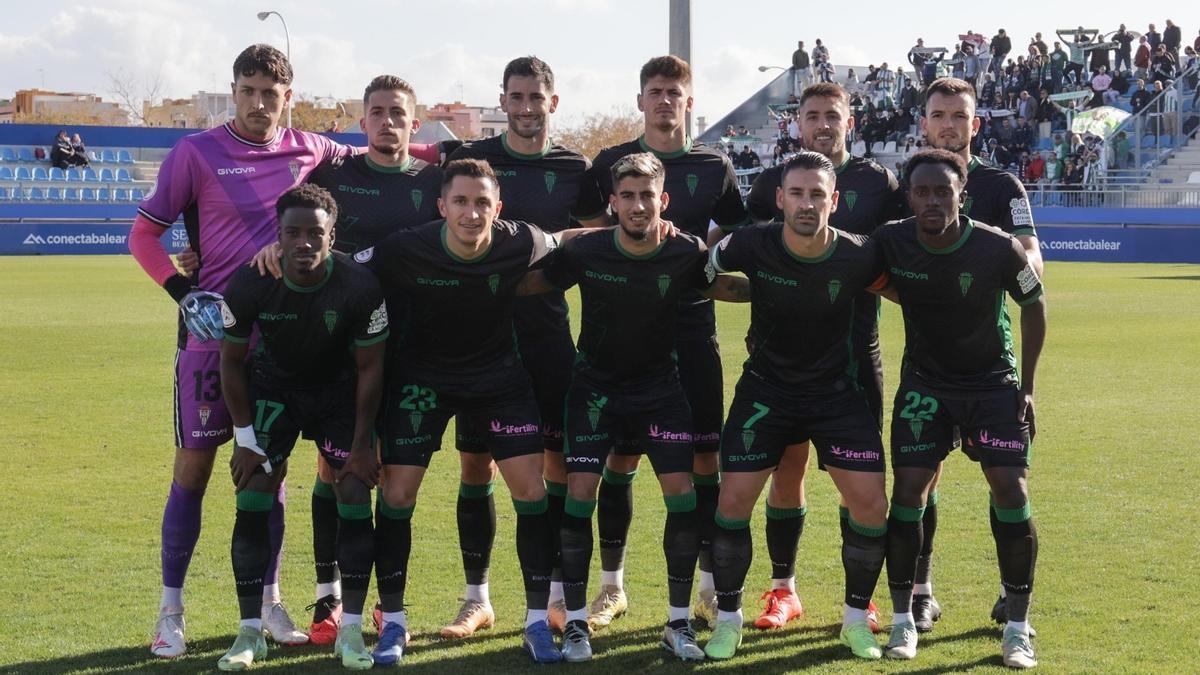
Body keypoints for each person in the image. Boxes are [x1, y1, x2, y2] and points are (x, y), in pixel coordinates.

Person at [129, 44, 352, 659]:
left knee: (267, 472)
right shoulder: (195, 153)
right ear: (234, 91)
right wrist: (182, 290)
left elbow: (380, 156)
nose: (257, 104)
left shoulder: (310, 149)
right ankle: (171, 612)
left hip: (278, 343)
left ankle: (270, 603)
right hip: (210, 340)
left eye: (269, 94)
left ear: (289, 95)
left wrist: (447, 154)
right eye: (247, 92)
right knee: (195, 470)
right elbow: (144, 234)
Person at [355, 158, 605, 665]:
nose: (472, 213)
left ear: (498, 208)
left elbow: (570, 238)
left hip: (498, 381)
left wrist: (634, 225)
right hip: (423, 380)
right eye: (462, 202)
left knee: (531, 491)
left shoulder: (521, 239)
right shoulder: (406, 246)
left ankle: (536, 624)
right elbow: (341, 265)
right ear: (442, 205)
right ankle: (393, 625)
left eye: (482, 203)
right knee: (398, 492)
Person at [519, 152, 748, 662]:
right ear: (613, 202)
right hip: (594, 391)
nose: (638, 205)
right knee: (580, 493)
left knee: (683, 496)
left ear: (663, 200)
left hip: (661, 393)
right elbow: (532, 282)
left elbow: (727, 286)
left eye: (648, 195)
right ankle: (576, 624)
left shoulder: (686, 250)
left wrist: (794, 284)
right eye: (628, 196)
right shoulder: (589, 251)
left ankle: (677, 621)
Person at [242, 74, 441, 647]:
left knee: (389, 477)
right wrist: (267, 247)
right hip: (335, 347)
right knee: (336, 470)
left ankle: (380, 605)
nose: (387, 122)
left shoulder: (432, 182)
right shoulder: (334, 175)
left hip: (409, 346)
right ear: (363, 119)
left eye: (398, 113)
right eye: (376, 112)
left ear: (413, 119)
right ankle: (330, 597)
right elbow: (294, 217)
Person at [704, 151, 892, 662]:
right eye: (797, 193)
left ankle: (856, 620)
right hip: (766, 391)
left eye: (817, 195)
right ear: (781, 198)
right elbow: (704, 272)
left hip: (836, 394)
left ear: (833, 201)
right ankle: (728, 621)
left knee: (872, 505)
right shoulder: (749, 243)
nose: (806, 204)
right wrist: (750, 289)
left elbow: (906, 291)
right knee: (732, 501)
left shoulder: (860, 254)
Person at [446, 55, 607, 638]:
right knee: (474, 463)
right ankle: (477, 598)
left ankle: (561, 597)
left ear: (552, 103)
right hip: (481, 341)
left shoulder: (575, 168)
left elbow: (596, 236)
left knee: (557, 465)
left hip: (547, 337)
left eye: (536, 97)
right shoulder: (472, 163)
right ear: (503, 101)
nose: (525, 107)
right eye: (515, 97)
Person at [590, 54, 748, 631]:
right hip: (624, 336)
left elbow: (729, 237)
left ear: (689, 100)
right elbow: (588, 232)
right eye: (654, 90)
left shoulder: (715, 166)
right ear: (640, 100)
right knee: (619, 457)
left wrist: (695, 254)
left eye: (673, 91)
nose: (664, 100)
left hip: (693, 330)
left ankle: (706, 586)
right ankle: (612, 588)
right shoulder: (610, 163)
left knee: (704, 458)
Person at [874, 149, 1046, 668]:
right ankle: (904, 621)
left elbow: (1034, 305)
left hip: (993, 384)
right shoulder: (891, 240)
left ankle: (1017, 626)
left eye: (942, 191)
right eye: (922, 191)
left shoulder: (998, 248)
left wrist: (1029, 387)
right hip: (926, 386)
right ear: (908, 196)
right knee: (907, 493)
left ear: (961, 195)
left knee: (1011, 490)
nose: (932, 200)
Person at [743, 82, 902, 633]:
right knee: (787, 470)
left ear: (849, 121)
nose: (822, 124)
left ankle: (863, 597)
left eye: (832, 115)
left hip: (858, 353)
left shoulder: (879, 181)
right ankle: (783, 590)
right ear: (797, 122)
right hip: (782, 356)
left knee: (855, 479)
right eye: (812, 115)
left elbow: (901, 250)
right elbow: (744, 249)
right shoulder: (771, 182)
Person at [215, 184, 388, 671]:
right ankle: (250, 632)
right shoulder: (250, 282)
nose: (304, 242)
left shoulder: (359, 285)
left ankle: (350, 630)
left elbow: (372, 369)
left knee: (354, 490)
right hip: (275, 391)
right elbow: (230, 362)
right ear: (279, 235)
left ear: (333, 236)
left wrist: (361, 446)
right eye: (294, 232)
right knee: (252, 490)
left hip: (338, 394)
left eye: (316, 232)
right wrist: (245, 439)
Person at [914, 77, 1043, 632]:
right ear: (924, 122)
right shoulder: (915, 181)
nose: (948, 124)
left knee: (1005, 477)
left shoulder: (1000, 184)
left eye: (958, 115)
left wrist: (1015, 270)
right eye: (938, 114)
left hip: (992, 363)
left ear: (976, 124)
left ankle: (1010, 595)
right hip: (927, 363)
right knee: (923, 475)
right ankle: (921, 591)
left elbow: (1032, 253)